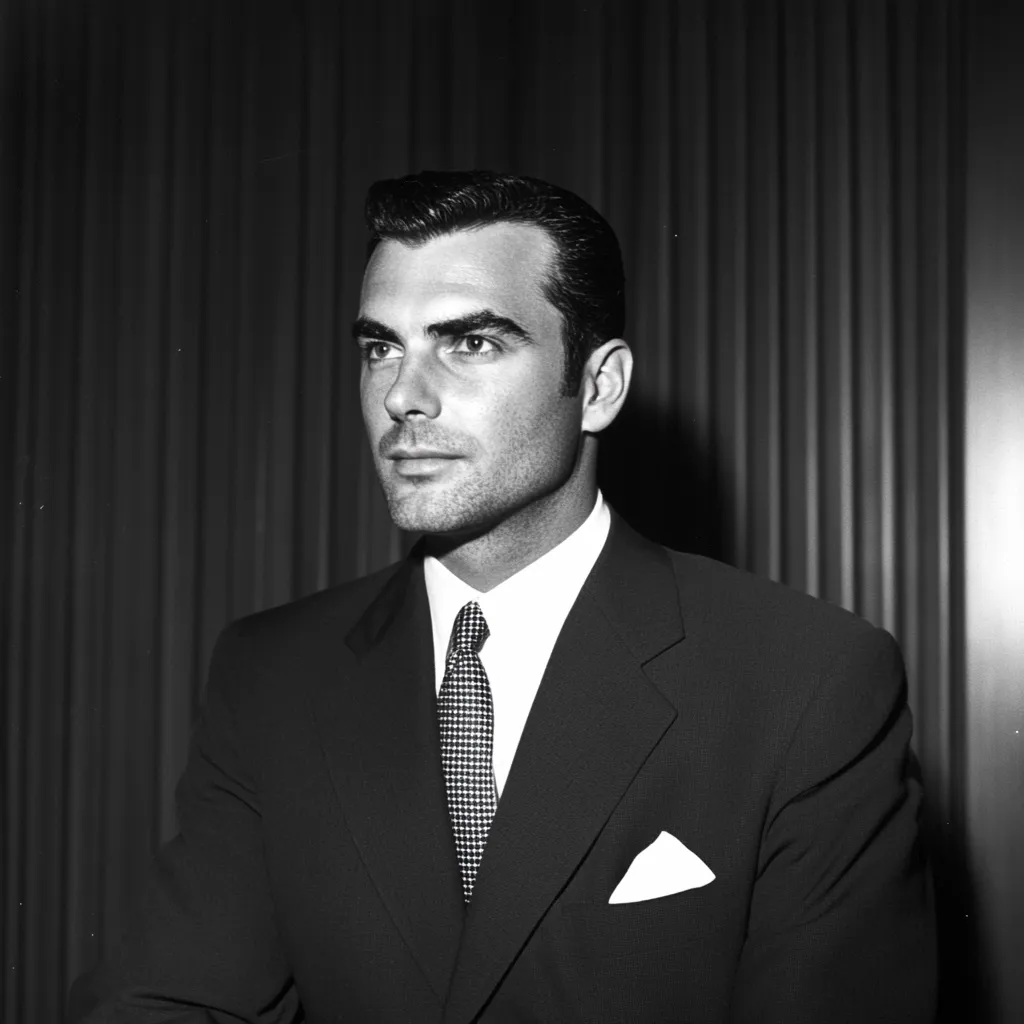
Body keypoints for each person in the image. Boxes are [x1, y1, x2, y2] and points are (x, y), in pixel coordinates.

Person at [70, 170, 936, 1023]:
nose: (402, 397)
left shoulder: (806, 678)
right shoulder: (271, 672)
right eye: (381, 347)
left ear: (598, 387)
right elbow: (165, 999)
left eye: (470, 343)